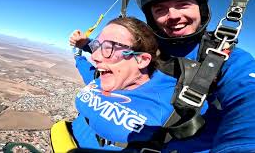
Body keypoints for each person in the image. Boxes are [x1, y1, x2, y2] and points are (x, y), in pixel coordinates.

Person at [69, 0, 255, 152]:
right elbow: (115, 52)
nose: (173, 15)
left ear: (201, 9)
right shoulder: (144, 46)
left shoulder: (225, 58)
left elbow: (252, 98)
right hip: (71, 134)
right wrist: (84, 47)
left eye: (182, 4)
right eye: (160, 9)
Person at [53, 16, 177, 152]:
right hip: (64, 140)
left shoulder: (169, 106)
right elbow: (86, 70)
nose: (94, 57)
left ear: (141, 60)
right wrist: (79, 52)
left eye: (110, 47)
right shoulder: (103, 79)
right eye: (97, 47)